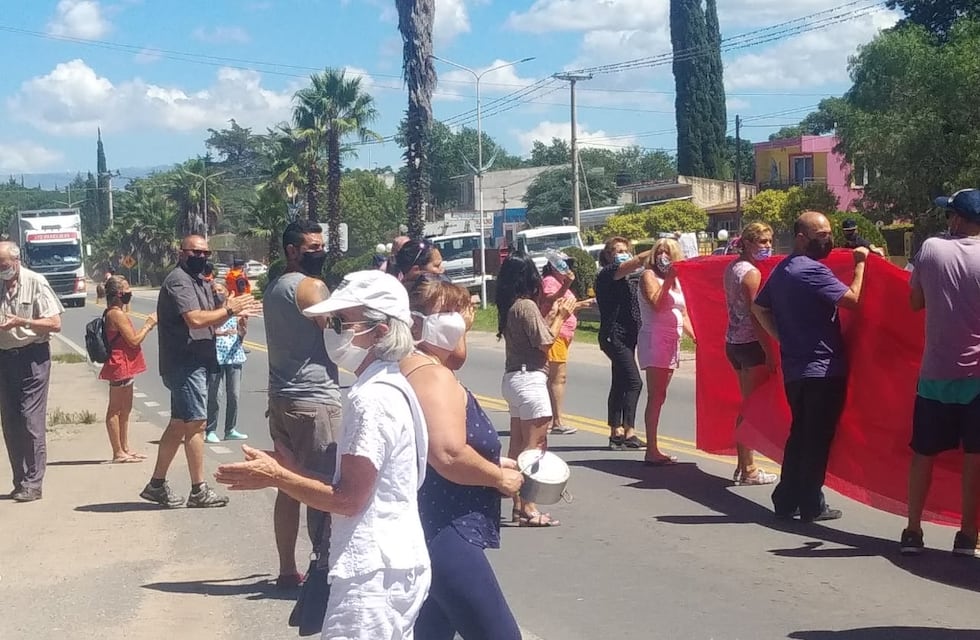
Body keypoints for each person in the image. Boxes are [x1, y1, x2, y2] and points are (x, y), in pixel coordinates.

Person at [216, 270, 431, 639]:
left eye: (343, 321)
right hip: (390, 564)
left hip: (372, 573)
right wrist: (292, 470)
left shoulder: (372, 398)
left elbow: (348, 500)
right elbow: (357, 485)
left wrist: (277, 477)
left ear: (380, 332)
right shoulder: (387, 383)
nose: (333, 330)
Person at [404, 278, 524, 640]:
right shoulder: (432, 376)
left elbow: (456, 356)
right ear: (414, 322)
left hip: (434, 526)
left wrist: (491, 464)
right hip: (444, 529)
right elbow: (448, 453)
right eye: (449, 313)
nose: (460, 320)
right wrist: (497, 477)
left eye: (463, 312)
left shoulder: (425, 365)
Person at [752, 211, 869, 522]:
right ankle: (810, 503)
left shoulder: (783, 269)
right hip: (823, 369)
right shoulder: (810, 271)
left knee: (801, 433)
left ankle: (787, 498)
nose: (828, 240)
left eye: (829, 233)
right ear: (802, 237)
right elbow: (853, 299)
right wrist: (861, 263)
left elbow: (759, 307)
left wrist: (782, 337)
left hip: (798, 369)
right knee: (815, 438)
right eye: (821, 235)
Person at [140, 234, 259, 509]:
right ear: (182, 253)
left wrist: (233, 312)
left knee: (180, 423)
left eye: (206, 253)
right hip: (185, 363)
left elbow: (212, 318)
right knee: (196, 423)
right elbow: (194, 320)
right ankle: (198, 489)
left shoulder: (199, 282)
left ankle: (156, 485)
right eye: (196, 252)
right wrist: (229, 308)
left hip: (197, 360)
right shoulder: (179, 281)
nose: (202, 258)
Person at [900, 189, 980, 557]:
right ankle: (967, 535)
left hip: (936, 373)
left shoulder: (930, 249)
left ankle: (913, 530)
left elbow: (914, 303)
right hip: (977, 378)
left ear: (959, 220)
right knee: (974, 458)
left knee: (924, 454)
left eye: (950, 215)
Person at [263, 219, 342, 588]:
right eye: (312, 247)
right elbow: (336, 336)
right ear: (292, 250)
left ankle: (285, 569)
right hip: (314, 401)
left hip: (281, 398)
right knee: (320, 488)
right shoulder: (311, 287)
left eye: (320, 245)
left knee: (289, 485)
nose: (320, 252)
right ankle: (321, 570)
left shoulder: (274, 287)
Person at [495, 252, 575, 527]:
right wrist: (561, 317)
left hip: (514, 378)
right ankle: (529, 506)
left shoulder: (511, 305)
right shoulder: (526, 306)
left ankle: (518, 504)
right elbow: (545, 342)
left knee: (518, 446)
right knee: (536, 446)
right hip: (530, 380)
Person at [0, 241, 64, 502]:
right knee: (11, 421)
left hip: (32, 357)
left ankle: (34, 482)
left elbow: (55, 323)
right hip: (4, 358)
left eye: (3, 265)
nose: (1, 270)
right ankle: (20, 481)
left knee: (30, 419)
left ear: (16, 261)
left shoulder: (36, 281)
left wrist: (22, 321)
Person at [723, 223, 780, 485]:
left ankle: (743, 465)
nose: (767, 246)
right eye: (761, 241)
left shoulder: (731, 268)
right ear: (746, 243)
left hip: (733, 342)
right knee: (751, 408)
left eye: (769, 241)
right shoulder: (751, 274)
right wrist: (769, 350)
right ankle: (748, 469)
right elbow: (756, 316)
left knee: (748, 405)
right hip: (749, 344)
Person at [637, 238, 696, 466]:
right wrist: (669, 278)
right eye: (660, 252)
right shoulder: (648, 276)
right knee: (656, 395)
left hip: (672, 339)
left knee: (661, 396)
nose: (663, 256)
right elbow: (658, 305)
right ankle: (651, 449)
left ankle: (653, 447)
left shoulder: (676, 283)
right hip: (655, 339)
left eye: (668, 252)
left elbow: (682, 313)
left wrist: (696, 337)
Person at [594, 237, 652, 450]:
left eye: (625, 250)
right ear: (608, 255)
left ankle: (615, 432)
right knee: (634, 381)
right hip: (613, 335)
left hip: (629, 335)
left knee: (619, 381)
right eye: (617, 250)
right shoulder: (607, 274)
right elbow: (637, 261)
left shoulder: (630, 278)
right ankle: (629, 432)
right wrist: (660, 247)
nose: (622, 253)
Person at [100, 275, 157, 463]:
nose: (129, 292)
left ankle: (125, 448)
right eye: (126, 289)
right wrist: (148, 325)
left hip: (126, 364)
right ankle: (117, 452)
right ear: (118, 293)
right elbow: (133, 341)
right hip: (119, 363)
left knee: (126, 409)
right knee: (115, 409)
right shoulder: (115, 314)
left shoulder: (117, 312)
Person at [539, 260, 587, 436]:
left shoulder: (560, 283)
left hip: (565, 334)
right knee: (557, 377)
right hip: (556, 333)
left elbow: (566, 305)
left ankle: (552, 418)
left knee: (556, 377)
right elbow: (551, 300)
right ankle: (557, 420)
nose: (567, 267)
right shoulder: (550, 281)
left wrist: (582, 304)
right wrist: (567, 283)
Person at [205, 281, 248, 444]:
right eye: (214, 291)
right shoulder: (210, 312)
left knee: (234, 395)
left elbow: (242, 334)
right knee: (215, 395)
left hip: (234, 356)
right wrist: (221, 332)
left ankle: (230, 429)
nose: (217, 293)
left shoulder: (237, 313)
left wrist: (243, 328)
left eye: (220, 290)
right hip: (216, 357)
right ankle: (210, 429)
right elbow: (208, 330)